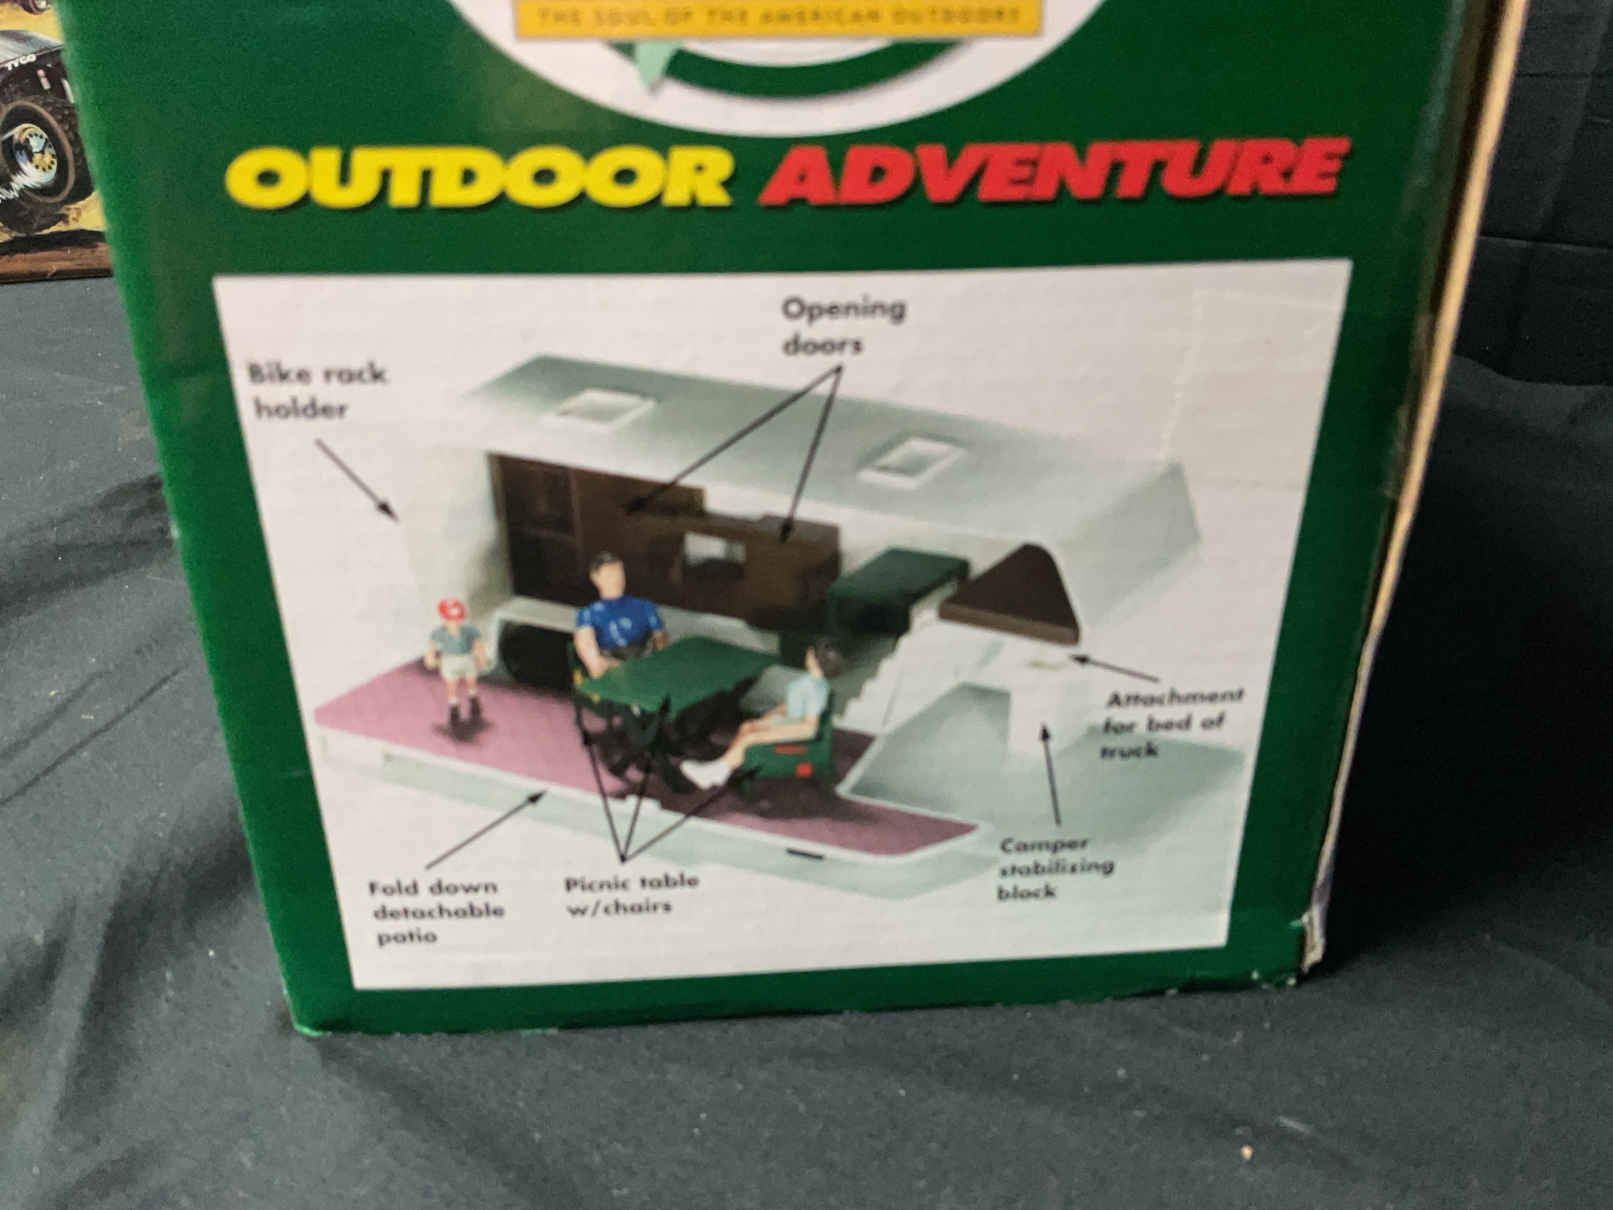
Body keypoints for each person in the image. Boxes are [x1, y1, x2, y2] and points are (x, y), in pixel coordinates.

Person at [679, 640, 844, 790]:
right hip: (788, 720)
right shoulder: (810, 682)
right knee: (747, 726)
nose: (807, 654)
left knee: (750, 738)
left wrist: (771, 732)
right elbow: (790, 705)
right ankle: (723, 768)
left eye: (810, 652)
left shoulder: (815, 689)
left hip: (796, 729)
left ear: (814, 659)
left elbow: (808, 729)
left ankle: (715, 772)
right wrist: (767, 720)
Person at [574, 552, 668, 679]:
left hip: (643, 665)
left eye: (620, 573)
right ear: (595, 578)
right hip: (611, 668)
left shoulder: (645, 606)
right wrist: (601, 665)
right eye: (610, 574)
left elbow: (660, 640)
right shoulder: (589, 614)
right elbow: (589, 652)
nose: (616, 579)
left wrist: (658, 662)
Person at [424, 598, 490, 735]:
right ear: (444, 619)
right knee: (451, 686)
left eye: (457, 619)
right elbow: (431, 648)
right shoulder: (439, 633)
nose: (454, 623)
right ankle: (454, 710)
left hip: (467, 658)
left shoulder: (470, 631)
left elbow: (478, 645)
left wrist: (482, 658)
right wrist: (430, 659)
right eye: (450, 620)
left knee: (471, 682)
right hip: (449, 661)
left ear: (461, 619)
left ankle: (474, 701)